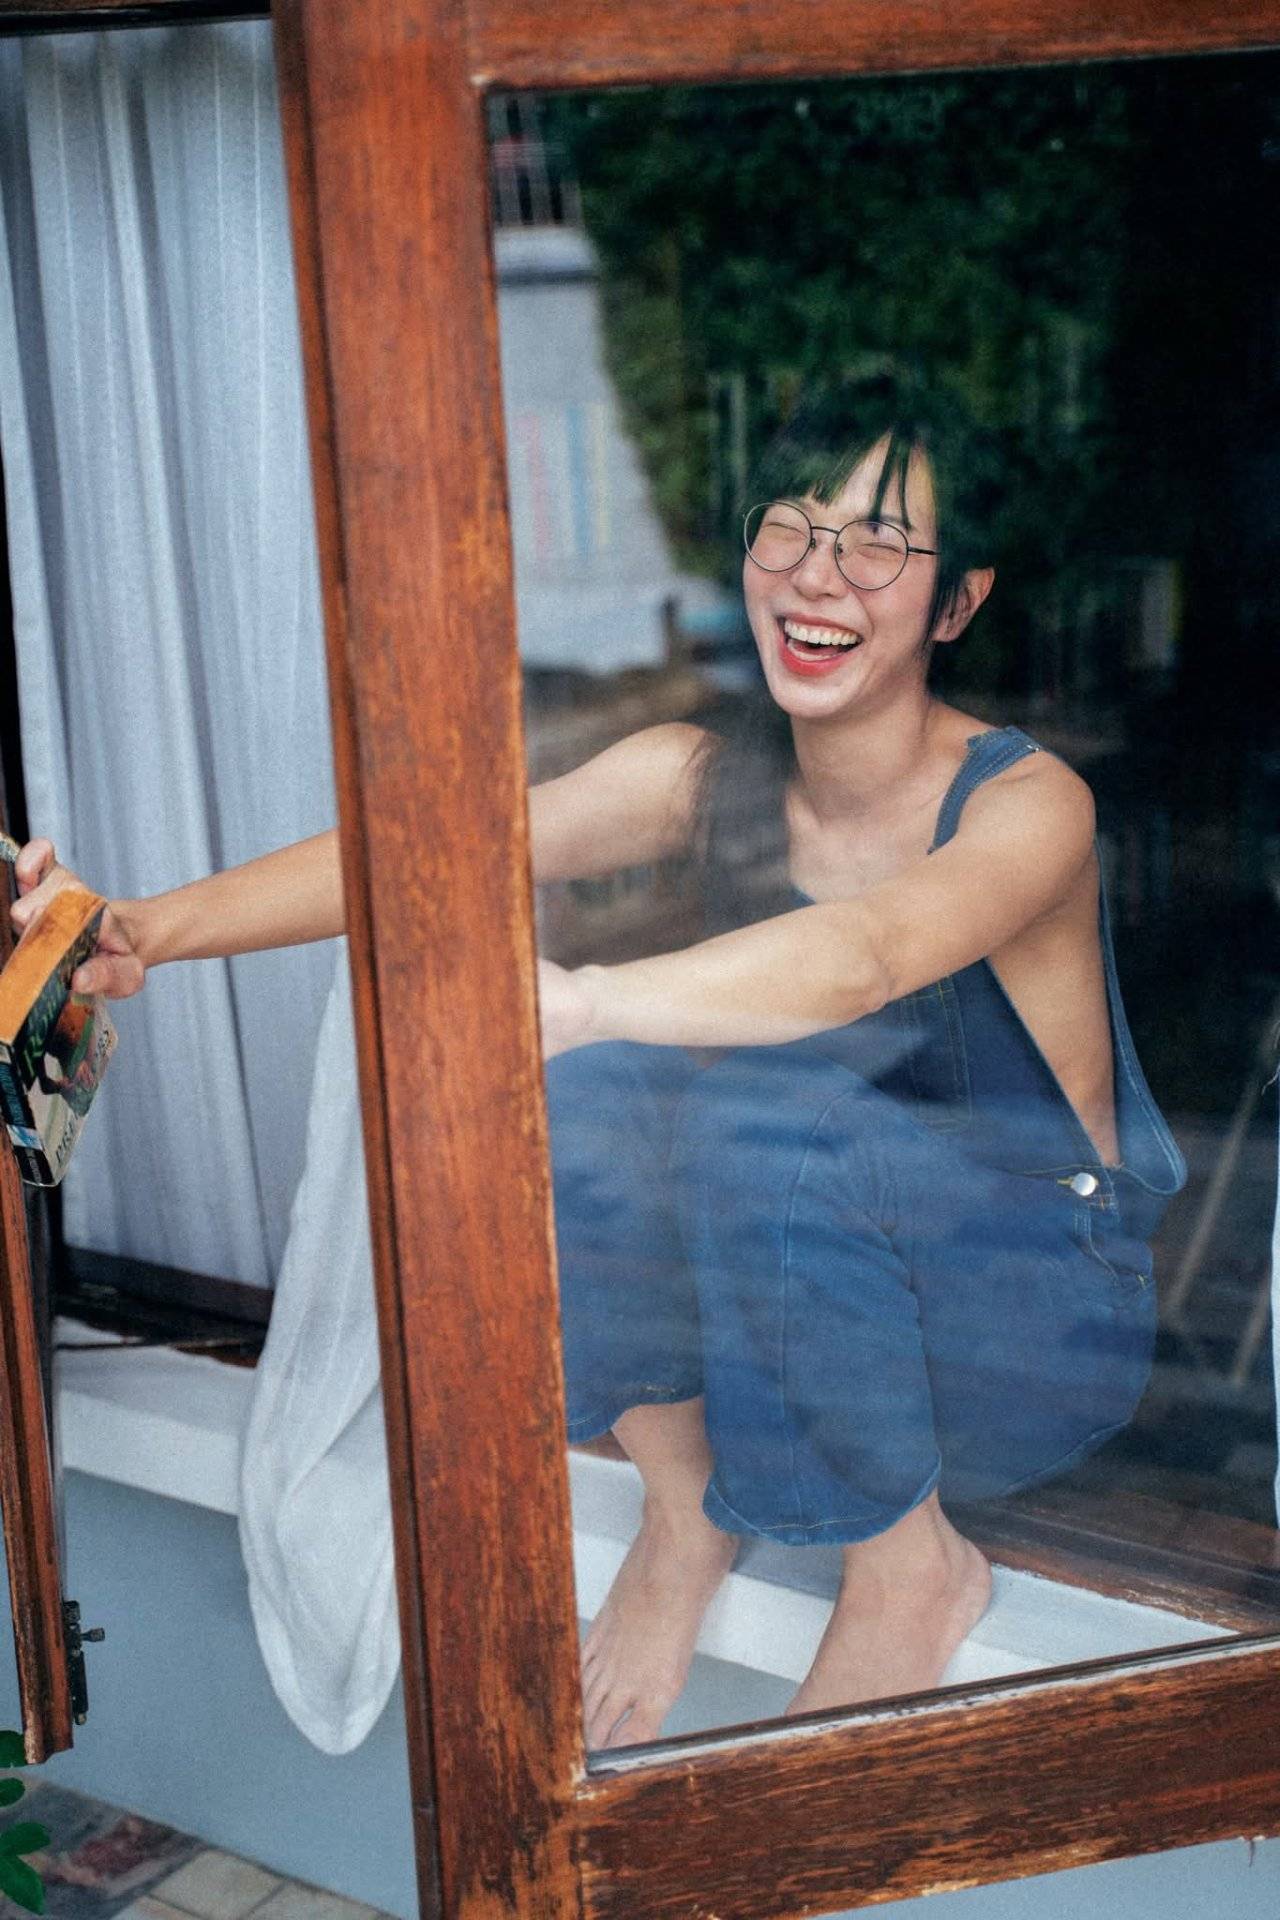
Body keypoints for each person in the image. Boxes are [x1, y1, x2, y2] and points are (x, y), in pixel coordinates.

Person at [10, 371, 1185, 1753]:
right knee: (582, 1104)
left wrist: (584, 999)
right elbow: (430, 859)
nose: (818, 575)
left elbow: (864, 957)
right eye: (789, 525)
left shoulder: (1030, 804)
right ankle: (686, 1516)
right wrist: (144, 927)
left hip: (1028, 1344)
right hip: (805, 1335)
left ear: (959, 601)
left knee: (760, 1107)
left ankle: (908, 1572)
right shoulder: (702, 771)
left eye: (878, 542)